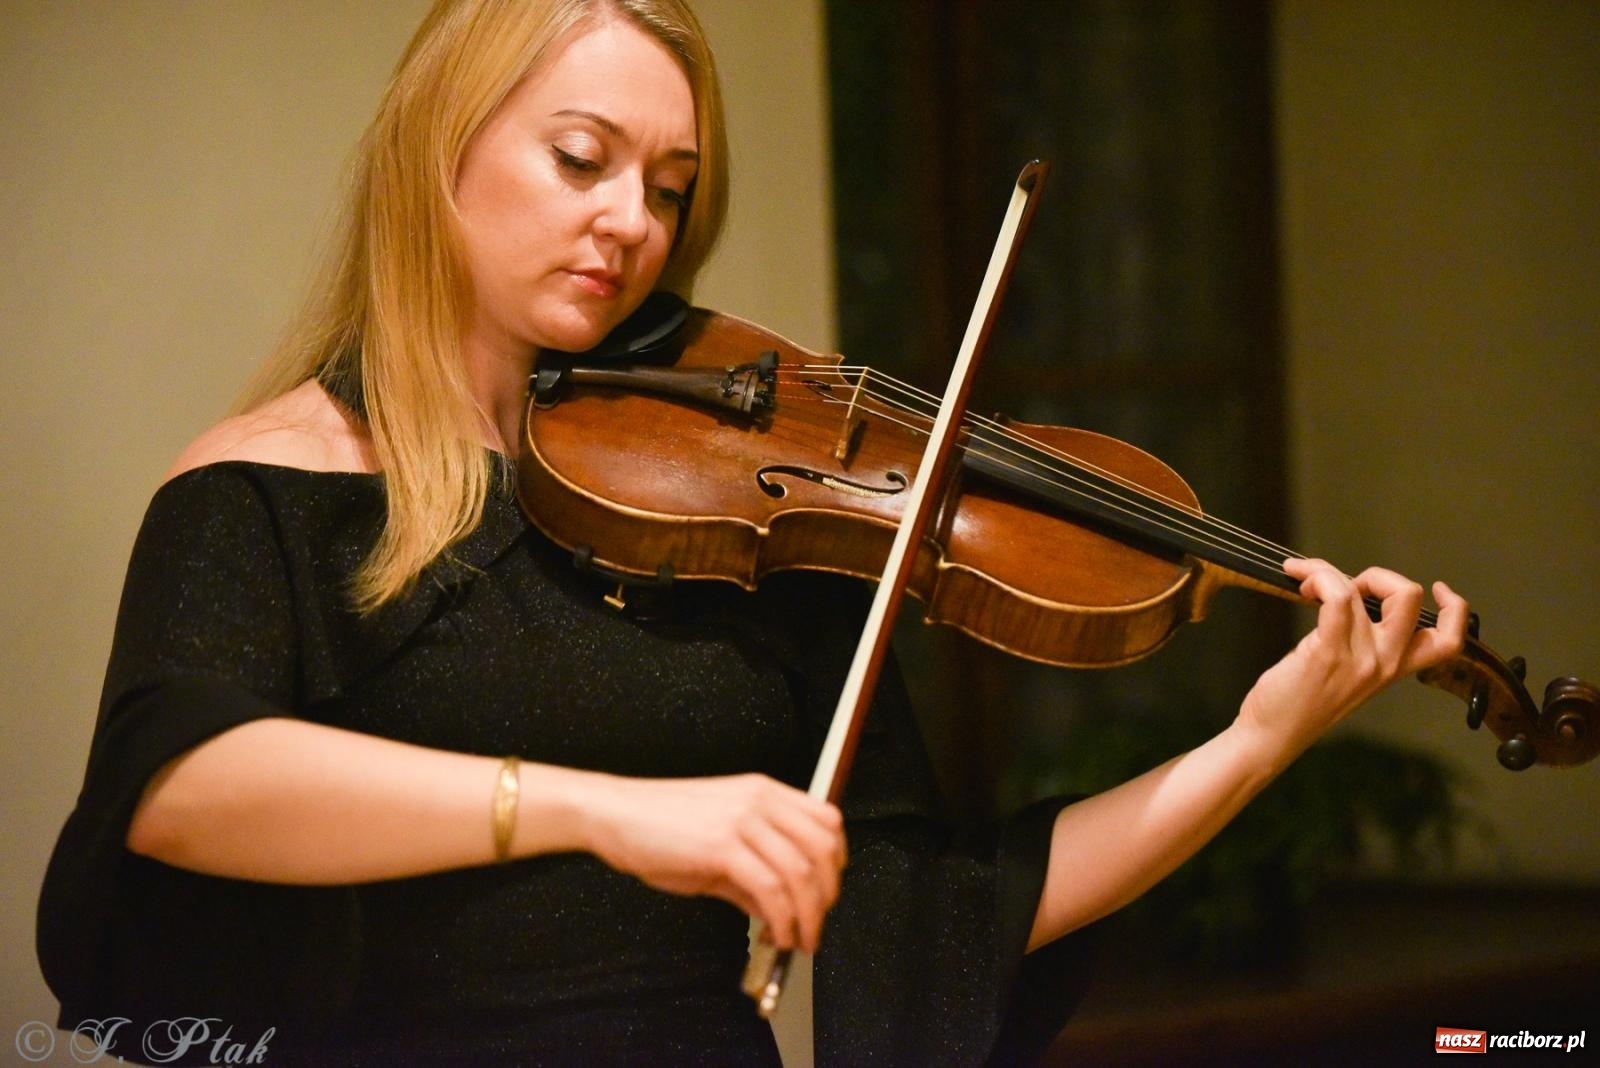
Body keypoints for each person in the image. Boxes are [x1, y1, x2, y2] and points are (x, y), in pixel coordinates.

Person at [36, 0, 1469, 1064]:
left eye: (666, 189)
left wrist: (1261, 740)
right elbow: (178, 785)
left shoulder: (728, 510)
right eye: (583, 159)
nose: (632, 227)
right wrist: (610, 809)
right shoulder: (270, 483)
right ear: (438, 150)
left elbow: (942, 913)